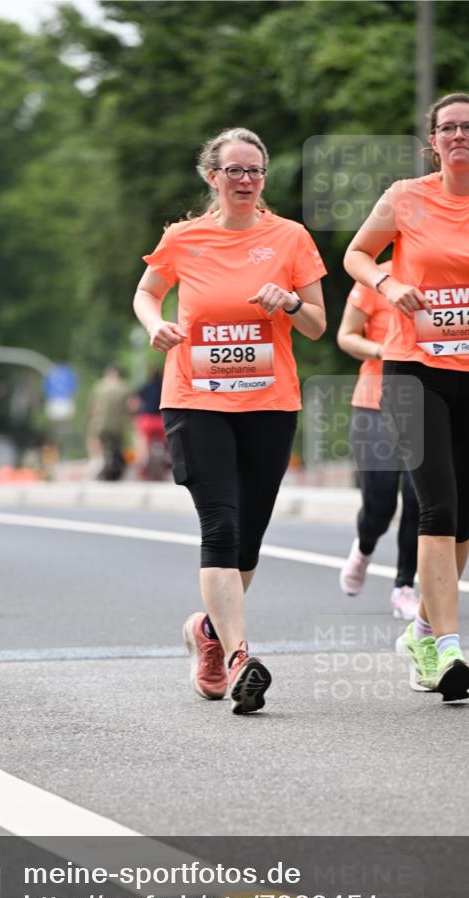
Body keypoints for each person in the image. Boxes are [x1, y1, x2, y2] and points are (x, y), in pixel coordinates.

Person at [134, 127, 326, 714]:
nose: (245, 180)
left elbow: (317, 324)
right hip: (196, 400)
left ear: (264, 178)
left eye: (255, 170)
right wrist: (155, 325)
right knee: (219, 525)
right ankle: (242, 656)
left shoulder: (290, 237)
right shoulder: (183, 238)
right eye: (234, 170)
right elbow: (146, 293)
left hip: (269, 404)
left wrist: (290, 302)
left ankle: (208, 633)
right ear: (211, 176)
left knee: (248, 538)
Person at [344, 92, 469, 702]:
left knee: (463, 517)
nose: (458, 136)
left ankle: (423, 634)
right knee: (436, 507)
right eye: (447, 128)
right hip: (413, 370)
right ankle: (449, 648)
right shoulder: (405, 197)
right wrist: (387, 282)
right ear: (432, 142)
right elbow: (357, 254)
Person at [336, 259, 420, 619]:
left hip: (428, 403)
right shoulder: (376, 275)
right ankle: (364, 547)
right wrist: (382, 351)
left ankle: (404, 586)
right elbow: (346, 335)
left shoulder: (447, 269)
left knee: (419, 500)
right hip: (375, 401)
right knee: (380, 503)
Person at [85, 364, 131, 481]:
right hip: (118, 427)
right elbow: (130, 406)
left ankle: (96, 461)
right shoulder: (124, 387)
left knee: (92, 437)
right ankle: (122, 468)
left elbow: (92, 407)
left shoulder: (99, 386)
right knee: (119, 445)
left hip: (100, 426)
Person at [131, 365, 167, 480]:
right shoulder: (165, 386)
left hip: (147, 421)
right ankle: (167, 459)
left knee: (141, 439)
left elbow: (134, 404)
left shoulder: (144, 387)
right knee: (167, 441)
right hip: (162, 421)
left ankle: (144, 461)